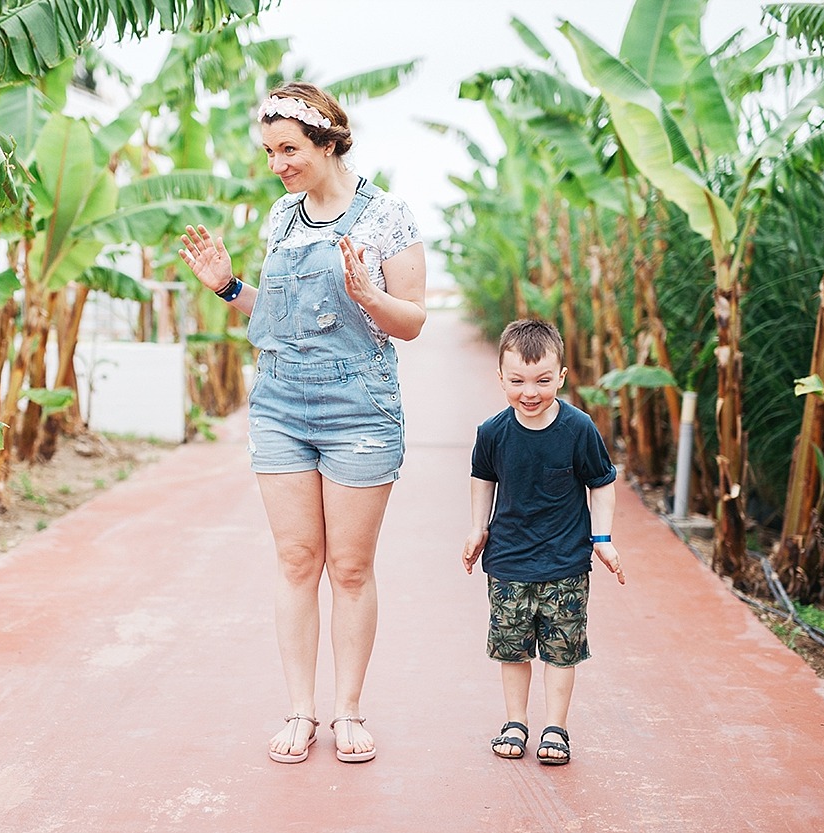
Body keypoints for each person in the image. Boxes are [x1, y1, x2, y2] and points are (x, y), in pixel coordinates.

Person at [179, 81, 426, 764]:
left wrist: (370, 293)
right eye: (269, 151)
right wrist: (230, 287)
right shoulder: (282, 218)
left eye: (288, 148)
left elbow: (412, 318)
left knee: (348, 568)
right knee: (296, 560)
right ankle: (300, 709)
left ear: (328, 140)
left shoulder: (388, 215)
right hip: (282, 403)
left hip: (359, 408)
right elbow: (276, 317)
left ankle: (347, 708)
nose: (277, 163)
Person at [461, 319, 625, 765]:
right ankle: (516, 721)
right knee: (512, 649)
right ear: (501, 378)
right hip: (509, 561)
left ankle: (557, 727)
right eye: (516, 381)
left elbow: (602, 483)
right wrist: (478, 528)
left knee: (561, 650)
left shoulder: (578, 428)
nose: (529, 392)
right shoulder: (492, 432)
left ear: (562, 376)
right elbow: (483, 477)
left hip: (566, 563)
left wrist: (602, 538)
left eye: (543, 380)